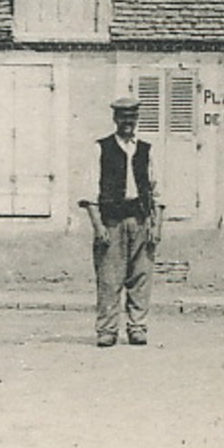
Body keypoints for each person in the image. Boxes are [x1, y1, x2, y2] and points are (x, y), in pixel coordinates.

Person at [80, 95, 163, 347]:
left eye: (132, 117)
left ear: (137, 120)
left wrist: (156, 224)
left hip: (140, 220)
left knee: (140, 277)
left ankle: (137, 327)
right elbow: (89, 192)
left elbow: (157, 192)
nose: (128, 122)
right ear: (115, 119)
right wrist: (98, 226)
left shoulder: (147, 150)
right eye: (123, 117)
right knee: (109, 278)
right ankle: (107, 330)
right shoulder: (101, 148)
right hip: (112, 222)